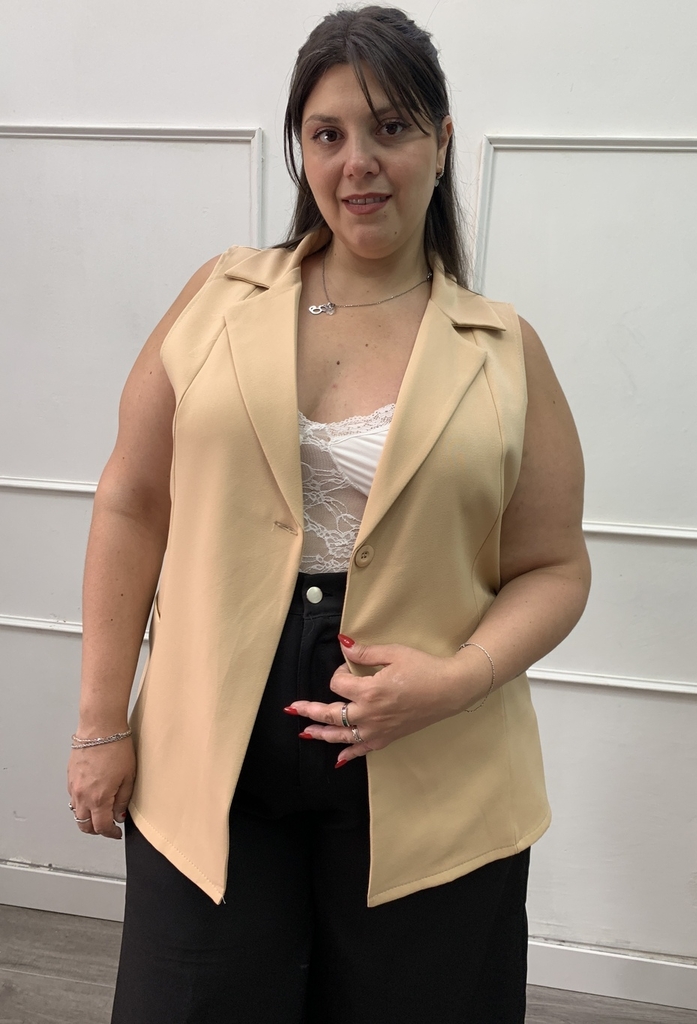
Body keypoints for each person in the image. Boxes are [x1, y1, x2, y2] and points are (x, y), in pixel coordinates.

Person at [66, 6, 590, 1022]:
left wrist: (456, 679)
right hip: (208, 757)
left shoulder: (502, 350)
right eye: (328, 132)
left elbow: (555, 566)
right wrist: (99, 726)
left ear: (442, 141)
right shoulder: (217, 300)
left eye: (391, 128)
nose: (359, 163)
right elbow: (132, 500)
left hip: (435, 760)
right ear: (300, 148)